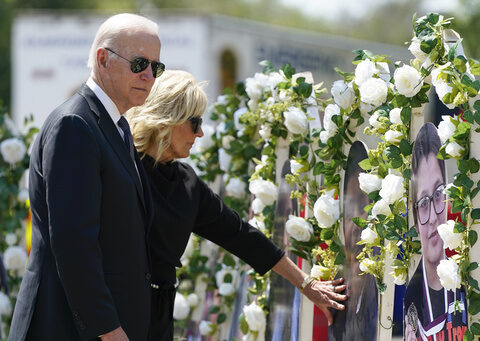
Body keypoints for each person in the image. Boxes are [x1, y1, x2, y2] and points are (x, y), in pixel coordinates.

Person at [126, 70, 347, 341]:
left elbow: (241, 235)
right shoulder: (122, 169)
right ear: (168, 120)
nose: (201, 132)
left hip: (158, 318)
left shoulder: (186, 183)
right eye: (195, 123)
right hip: (115, 317)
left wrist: (306, 283)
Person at [9, 13, 163, 341]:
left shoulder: (116, 127)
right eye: (139, 63)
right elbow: (73, 243)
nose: (149, 75)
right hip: (69, 328)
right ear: (102, 59)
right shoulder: (75, 126)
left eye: (156, 67)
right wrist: (108, 329)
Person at [403, 123, 468, 341]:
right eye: (423, 203)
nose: (432, 217)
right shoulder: (413, 294)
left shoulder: (467, 276)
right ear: (414, 214)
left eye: (439, 194)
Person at [329, 141, 378, 341]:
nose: (357, 223)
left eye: (364, 206)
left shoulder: (384, 292)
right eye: (351, 210)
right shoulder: (338, 291)